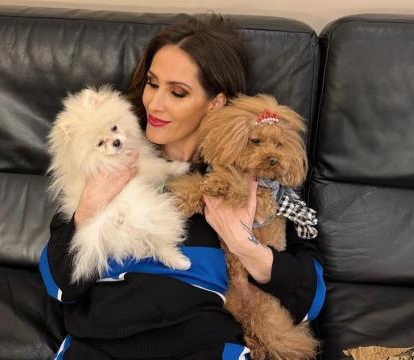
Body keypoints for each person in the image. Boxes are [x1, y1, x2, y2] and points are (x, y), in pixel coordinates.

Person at [39, 13, 325, 360]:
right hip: (99, 343)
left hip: (203, 346)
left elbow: (312, 299)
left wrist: (243, 244)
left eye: (177, 92)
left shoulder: (253, 179)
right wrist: (88, 208)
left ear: (215, 102)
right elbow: (59, 287)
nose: (154, 103)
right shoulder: (108, 157)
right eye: (152, 83)